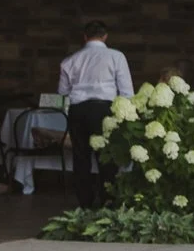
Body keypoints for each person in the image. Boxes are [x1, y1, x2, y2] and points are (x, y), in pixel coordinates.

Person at [58, 21, 136, 211]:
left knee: (81, 156)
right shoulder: (116, 57)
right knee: (107, 156)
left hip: (78, 110)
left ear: (85, 37)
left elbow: (62, 91)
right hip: (104, 109)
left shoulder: (70, 60)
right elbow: (127, 91)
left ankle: (84, 203)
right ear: (105, 36)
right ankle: (107, 201)